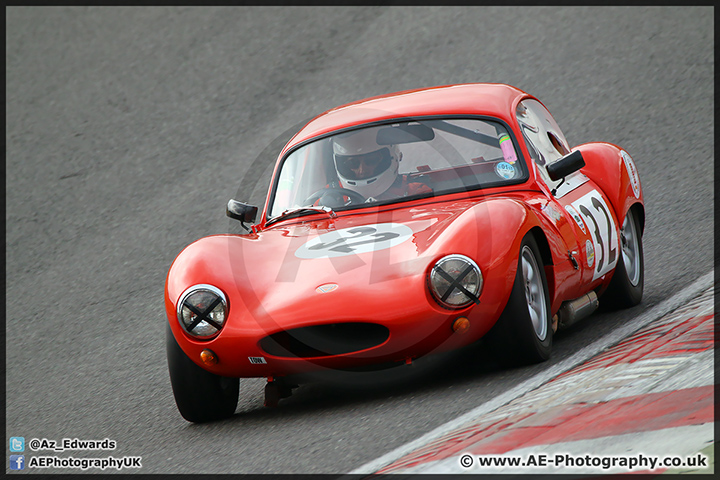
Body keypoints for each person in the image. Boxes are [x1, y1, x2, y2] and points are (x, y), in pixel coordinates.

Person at [332, 128, 432, 202]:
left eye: (371, 160)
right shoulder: (332, 195)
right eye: (353, 163)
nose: (362, 170)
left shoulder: (416, 192)